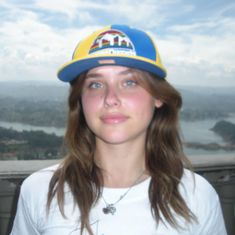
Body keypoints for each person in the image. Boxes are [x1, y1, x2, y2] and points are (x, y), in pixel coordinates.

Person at [10, 25, 227, 235]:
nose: (110, 99)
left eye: (130, 82)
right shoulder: (40, 191)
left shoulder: (196, 196)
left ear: (158, 96)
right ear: (81, 101)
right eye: (95, 84)